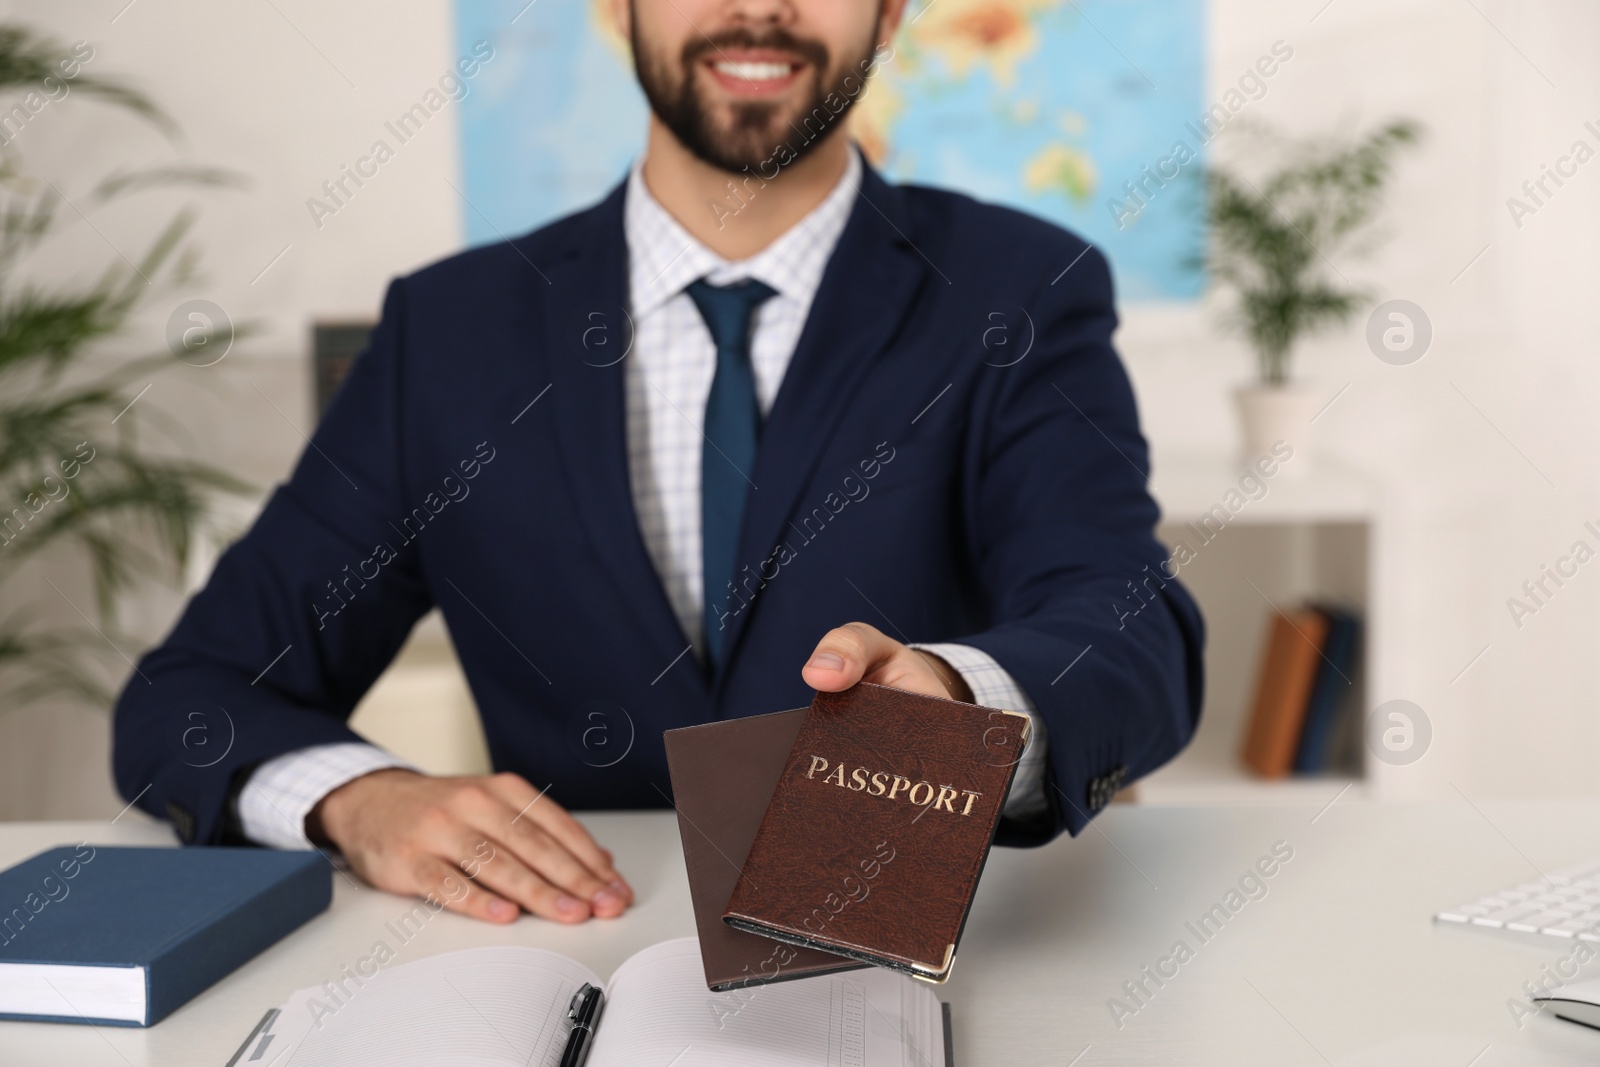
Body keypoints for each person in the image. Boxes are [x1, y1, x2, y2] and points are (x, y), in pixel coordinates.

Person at [114, 0, 1204, 927]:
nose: (758, 8)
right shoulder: (446, 332)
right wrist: (361, 798)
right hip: (554, 955)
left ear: (891, 8)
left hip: (912, 959)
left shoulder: (1020, 288)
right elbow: (189, 696)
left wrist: (963, 701)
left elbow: (1130, 623)